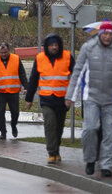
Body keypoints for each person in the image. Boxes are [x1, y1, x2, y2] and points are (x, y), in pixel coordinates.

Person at [65, 20, 112, 177]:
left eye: (110, 34)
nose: (107, 37)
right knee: (91, 128)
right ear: (100, 33)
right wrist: (71, 96)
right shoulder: (89, 48)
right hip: (91, 97)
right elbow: (78, 72)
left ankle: (106, 164)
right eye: (105, 33)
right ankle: (90, 159)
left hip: (111, 98)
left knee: (110, 132)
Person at [26, 33, 73, 164]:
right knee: (50, 124)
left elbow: (75, 77)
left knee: (59, 127)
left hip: (63, 99)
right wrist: (29, 98)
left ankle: (56, 150)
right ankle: (51, 153)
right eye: (51, 45)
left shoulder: (68, 57)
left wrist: (72, 97)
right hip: (46, 99)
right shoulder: (40, 58)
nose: (54, 47)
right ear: (46, 46)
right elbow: (34, 79)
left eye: (56, 45)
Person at [0, 42, 28, 140]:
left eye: (5, 52)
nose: (3, 55)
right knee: (0, 113)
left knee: (15, 112)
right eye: (1, 53)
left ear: (9, 51)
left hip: (13, 91)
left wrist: (26, 87)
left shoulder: (16, 59)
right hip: (0, 91)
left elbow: (22, 74)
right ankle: (3, 132)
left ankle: (13, 125)